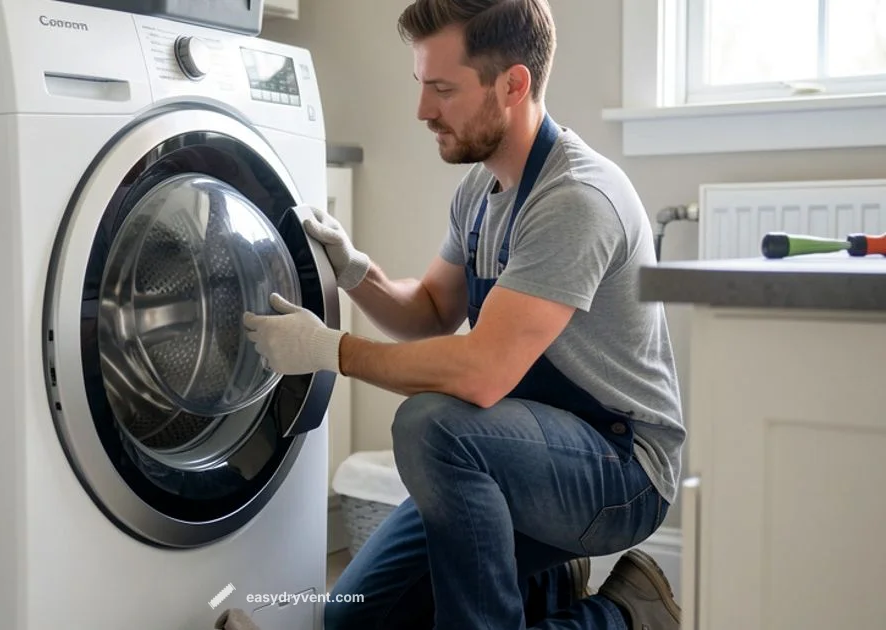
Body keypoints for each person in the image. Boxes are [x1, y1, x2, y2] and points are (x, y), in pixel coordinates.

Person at [239, 0, 687, 628]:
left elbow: (482, 374)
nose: (423, 110)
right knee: (355, 618)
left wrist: (330, 350)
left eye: (443, 89)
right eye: (422, 85)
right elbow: (427, 312)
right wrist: (353, 269)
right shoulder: (481, 191)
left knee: (433, 425)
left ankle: (624, 617)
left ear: (513, 84)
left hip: (621, 470)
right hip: (524, 451)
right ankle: (564, 592)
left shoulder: (575, 198)